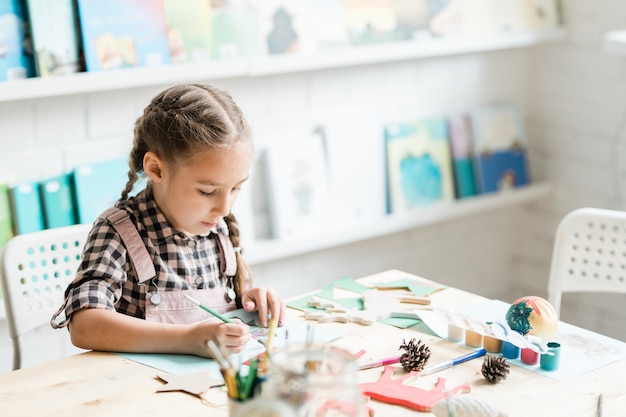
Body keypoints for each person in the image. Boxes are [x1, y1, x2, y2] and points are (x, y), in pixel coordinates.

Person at [51, 83, 285, 358]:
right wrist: (188, 339)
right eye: (207, 191)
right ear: (156, 169)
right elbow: (85, 325)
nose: (224, 207)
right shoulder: (119, 230)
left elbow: (225, 310)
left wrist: (249, 299)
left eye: (236, 188)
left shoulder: (218, 227)